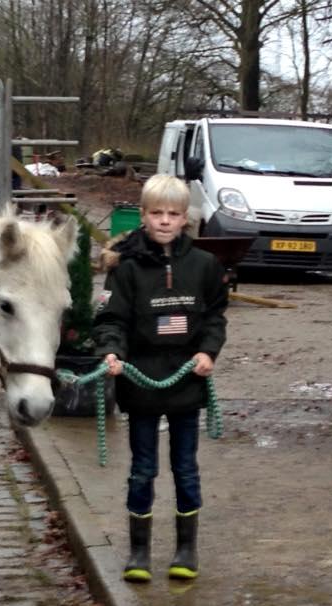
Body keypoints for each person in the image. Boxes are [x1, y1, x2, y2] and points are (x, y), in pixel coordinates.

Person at [93, 174, 228, 583]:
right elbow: (111, 319)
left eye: (173, 214)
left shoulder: (204, 266)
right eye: (156, 213)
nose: (165, 221)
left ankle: (187, 549)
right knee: (142, 468)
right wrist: (112, 352)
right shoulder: (127, 268)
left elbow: (214, 317)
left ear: (185, 218)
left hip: (187, 381)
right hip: (142, 383)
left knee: (185, 468)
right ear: (144, 215)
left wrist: (208, 351)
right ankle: (139, 552)